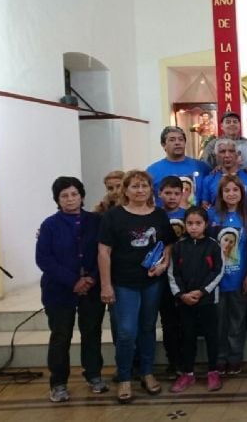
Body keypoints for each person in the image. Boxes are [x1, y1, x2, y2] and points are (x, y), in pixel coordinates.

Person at [98, 170, 177, 403]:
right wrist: (106, 285)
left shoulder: (159, 215)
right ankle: (124, 377)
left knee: (147, 328)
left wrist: (163, 264)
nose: (140, 190)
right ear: (125, 190)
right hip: (123, 283)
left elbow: (168, 245)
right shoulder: (113, 216)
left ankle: (147, 372)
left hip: (151, 282)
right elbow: (104, 251)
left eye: (144, 186)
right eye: (135, 186)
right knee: (126, 332)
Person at [36, 176, 107, 402]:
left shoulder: (96, 221)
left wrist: (92, 279)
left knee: (92, 334)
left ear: (82, 196)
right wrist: (72, 281)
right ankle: (58, 383)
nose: (70, 199)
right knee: (61, 336)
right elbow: (44, 259)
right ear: (57, 199)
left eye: (74, 194)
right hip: (58, 290)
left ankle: (94, 375)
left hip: (92, 288)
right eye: (64, 195)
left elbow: (103, 252)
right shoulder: (49, 225)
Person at [167, 206, 224, 393]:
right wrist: (182, 294)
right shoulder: (178, 247)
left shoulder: (213, 245)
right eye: (190, 223)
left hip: (207, 300)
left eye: (198, 223)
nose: (193, 227)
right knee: (187, 336)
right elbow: (173, 273)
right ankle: (188, 373)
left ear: (205, 224)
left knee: (211, 336)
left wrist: (202, 291)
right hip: (185, 301)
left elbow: (218, 271)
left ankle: (213, 371)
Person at [208, 174, 247, 375]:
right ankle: (220, 358)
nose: (231, 194)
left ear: (241, 192)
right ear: (221, 193)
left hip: (239, 279)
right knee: (219, 322)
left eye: (235, 190)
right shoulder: (212, 215)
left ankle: (235, 358)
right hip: (216, 281)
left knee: (237, 321)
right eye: (227, 190)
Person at [157, 175, 187, 378]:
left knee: (185, 321)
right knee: (168, 321)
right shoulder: (155, 216)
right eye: (168, 193)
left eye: (176, 193)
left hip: (186, 275)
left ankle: (186, 360)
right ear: (160, 194)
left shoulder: (189, 215)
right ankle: (173, 361)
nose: (172, 197)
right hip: (161, 275)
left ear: (183, 194)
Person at [147, 126, 211, 207]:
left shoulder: (202, 167)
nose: (177, 143)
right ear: (163, 145)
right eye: (172, 140)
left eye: (181, 139)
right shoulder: (152, 171)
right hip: (164, 218)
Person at [200, 138, 247, 210]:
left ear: (237, 154)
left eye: (231, 151)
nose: (227, 155)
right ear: (216, 156)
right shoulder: (209, 180)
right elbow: (205, 205)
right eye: (222, 151)